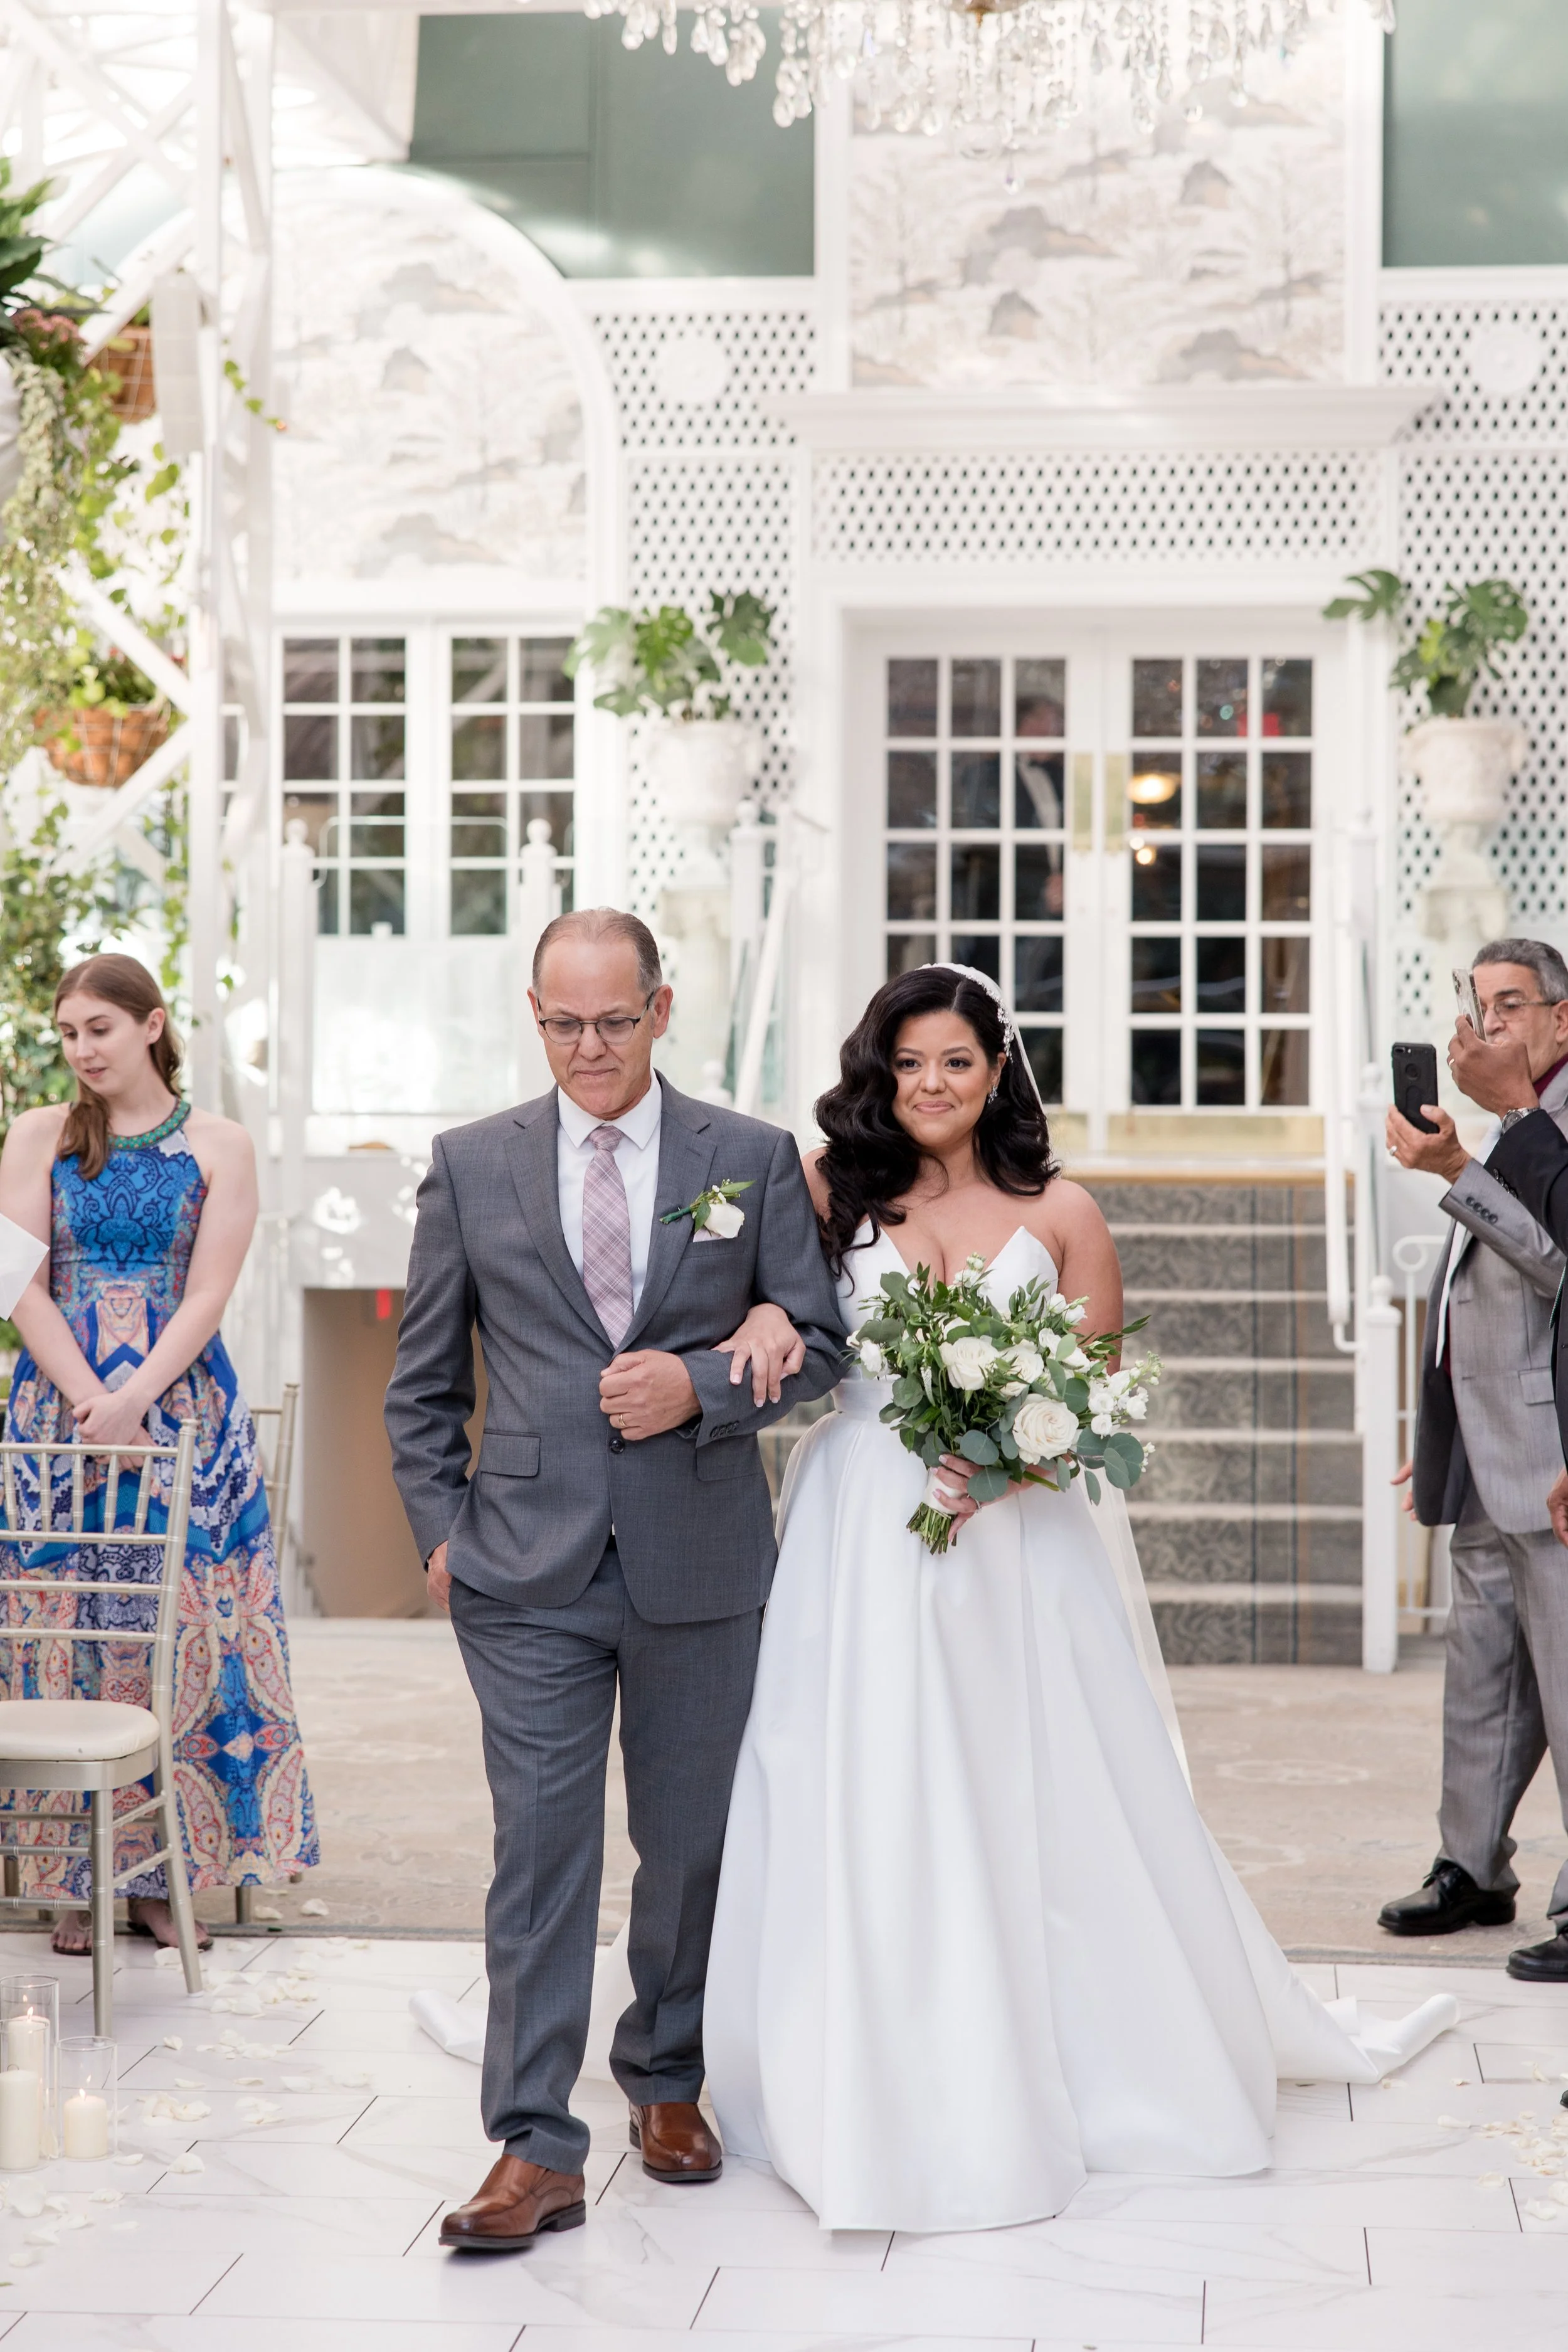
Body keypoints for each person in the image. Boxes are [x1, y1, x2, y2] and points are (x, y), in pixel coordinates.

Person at [702, 962, 1456, 2234]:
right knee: (854, 1773)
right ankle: (850, 2058)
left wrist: (1003, 1465)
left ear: (997, 1069)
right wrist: (773, 1310)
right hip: (857, 1524)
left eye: (954, 1061)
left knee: (1029, 1783)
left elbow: (1096, 1396)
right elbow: (763, 1304)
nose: (930, 1086)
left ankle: (1068, 2058)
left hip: (1010, 1543)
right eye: (907, 1064)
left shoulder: (1061, 1211)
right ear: (876, 1075)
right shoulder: (828, 1191)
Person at [384, 908, 843, 2255]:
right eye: (563, 1021)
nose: (590, 1046)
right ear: (535, 1016)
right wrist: (438, 1530)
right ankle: (533, 2144)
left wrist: (697, 1385)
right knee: (538, 1854)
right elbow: (421, 1381)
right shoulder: (469, 1165)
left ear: (662, 1007)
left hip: (699, 1557)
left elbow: (816, 1344)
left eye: (614, 1018)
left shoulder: (746, 1160)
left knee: (690, 1845)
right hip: (520, 1569)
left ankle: (668, 2076)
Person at [0, 953, 318, 1952]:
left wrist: (138, 1396)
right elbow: (15, 1283)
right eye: (67, 1033)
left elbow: (209, 1294)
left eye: (98, 1027)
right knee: (65, 1633)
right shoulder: (38, 1135)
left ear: (151, 1025)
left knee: (177, 1638)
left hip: (182, 1419)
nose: (81, 1048)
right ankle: (67, 1877)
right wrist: (93, 1399)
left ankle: (156, 1878)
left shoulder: (221, 1143)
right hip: (60, 1423)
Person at [1377, 941, 1568, 1961]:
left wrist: (1459, 1167)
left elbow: (1555, 1267)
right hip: (1486, 1446)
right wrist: (1439, 1430)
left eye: (1511, 1004)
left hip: (1552, 1450)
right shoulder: (1506, 1130)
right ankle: (1472, 1865)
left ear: (1560, 1020)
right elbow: (1475, 1301)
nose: (1489, 1024)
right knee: (1482, 1672)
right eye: (1477, 1004)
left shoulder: (1548, 1130)